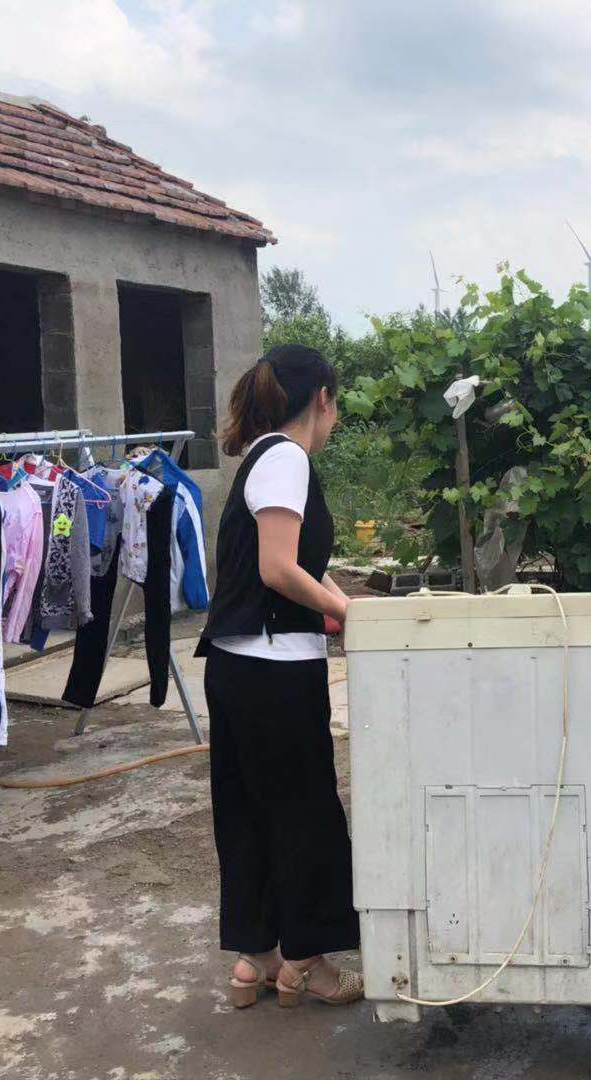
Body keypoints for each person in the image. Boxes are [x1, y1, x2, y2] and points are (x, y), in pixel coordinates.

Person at [198, 343, 363, 1009]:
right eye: (337, 405)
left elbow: (301, 568)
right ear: (321, 398)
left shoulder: (261, 457)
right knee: (304, 814)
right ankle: (307, 964)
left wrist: (346, 604)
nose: (336, 419)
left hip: (237, 666)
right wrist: (347, 613)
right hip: (275, 671)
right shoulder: (288, 458)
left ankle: (255, 959)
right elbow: (278, 570)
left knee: (248, 812)